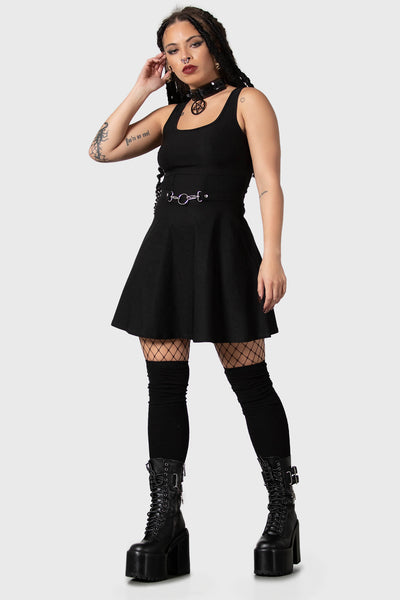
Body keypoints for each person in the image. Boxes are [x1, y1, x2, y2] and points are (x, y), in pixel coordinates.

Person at [89, 5, 301, 581]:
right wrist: (140, 89)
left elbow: (270, 183)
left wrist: (274, 256)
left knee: (251, 384)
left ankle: (282, 513)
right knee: (164, 388)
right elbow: (101, 149)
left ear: (214, 45)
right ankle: (166, 522)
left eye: (193, 44)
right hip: (165, 257)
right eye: (172, 49)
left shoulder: (248, 102)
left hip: (225, 255)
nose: (183, 56)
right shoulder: (168, 115)